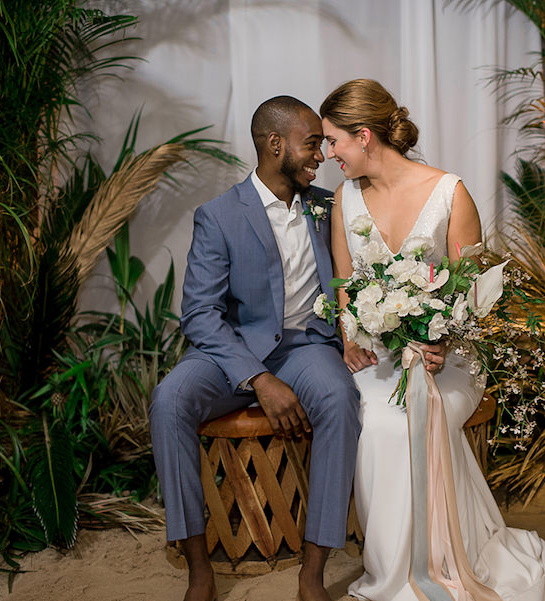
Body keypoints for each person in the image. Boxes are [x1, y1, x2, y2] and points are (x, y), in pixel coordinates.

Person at [320, 79, 545, 601]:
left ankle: (416, 574)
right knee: (377, 418)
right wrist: (349, 339)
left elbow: (479, 294)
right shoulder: (345, 199)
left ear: (363, 136)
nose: (328, 155)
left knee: (400, 422)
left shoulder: (448, 193)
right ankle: (400, 568)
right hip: (381, 355)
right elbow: (345, 285)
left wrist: (445, 343)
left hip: (451, 358)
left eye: (333, 141)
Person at [150, 96, 361, 601]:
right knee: (169, 401)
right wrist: (258, 379)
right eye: (312, 144)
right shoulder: (219, 216)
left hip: (305, 345)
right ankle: (199, 570)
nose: (321, 155)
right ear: (274, 144)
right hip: (231, 350)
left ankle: (312, 575)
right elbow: (200, 314)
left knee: (339, 400)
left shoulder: (329, 207)